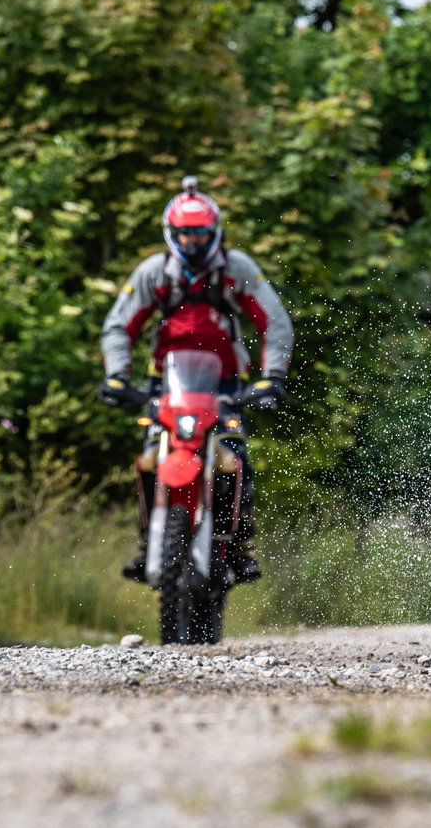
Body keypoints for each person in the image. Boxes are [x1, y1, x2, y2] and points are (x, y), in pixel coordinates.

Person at [97, 176, 294, 584]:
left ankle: (240, 548)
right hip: (166, 388)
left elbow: (274, 323)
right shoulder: (155, 273)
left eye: (199, 233)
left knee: (236, 459)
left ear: (214, 232)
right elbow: (119, 327)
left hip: (225, 387)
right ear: (171, 234)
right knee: (151, 459)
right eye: (184, 234)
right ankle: (146, 543)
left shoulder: (237, 269)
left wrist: (272, 377)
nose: (191, 242)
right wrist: (117, 377)